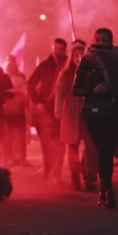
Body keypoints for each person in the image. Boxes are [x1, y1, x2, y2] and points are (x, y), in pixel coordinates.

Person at [73, 28, 118, 208]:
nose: (101, 43)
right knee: (102, 150)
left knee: (108, 151)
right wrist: (93, 91)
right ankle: (106, 189)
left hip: (113, 110)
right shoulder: (86, 60)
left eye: (105, 40)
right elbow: (76, 89)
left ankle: (105, 188)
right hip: (93, 111)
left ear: (111, 41)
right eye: (98, 39)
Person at [54, 39, 97, 191]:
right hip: (71, 111)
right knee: (72, 146)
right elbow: (60, 92)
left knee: (91, 146)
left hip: (88, 111)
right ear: (71, 55)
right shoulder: (65, 73)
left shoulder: (91, 71)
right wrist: (58, 110)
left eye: (81, 53)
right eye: (75, 53)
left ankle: (89, 176)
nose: (78, 56)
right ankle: (75, 178)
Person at [28, 38, 68, 182]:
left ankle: (57, 173)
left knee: (61, 143)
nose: (59, 52)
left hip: (63, 110)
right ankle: (47, 169)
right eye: (57, 49)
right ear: (53, 49)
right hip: (46, 109)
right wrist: (37, 101)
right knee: (46, 143)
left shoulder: (69, 66)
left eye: (62, 49)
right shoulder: (45, 66)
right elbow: (31, 84)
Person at [4, 55, 32, 166]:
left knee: (20, 135)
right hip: (9, 110)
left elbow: (25, 92)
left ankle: (21, 158)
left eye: (12, 63)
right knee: (11, 135)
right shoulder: (4, 78)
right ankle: (12, 158)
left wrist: (25, 102)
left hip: (18, 110)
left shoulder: (20, 77)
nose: (11, 65)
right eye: (9, 63)